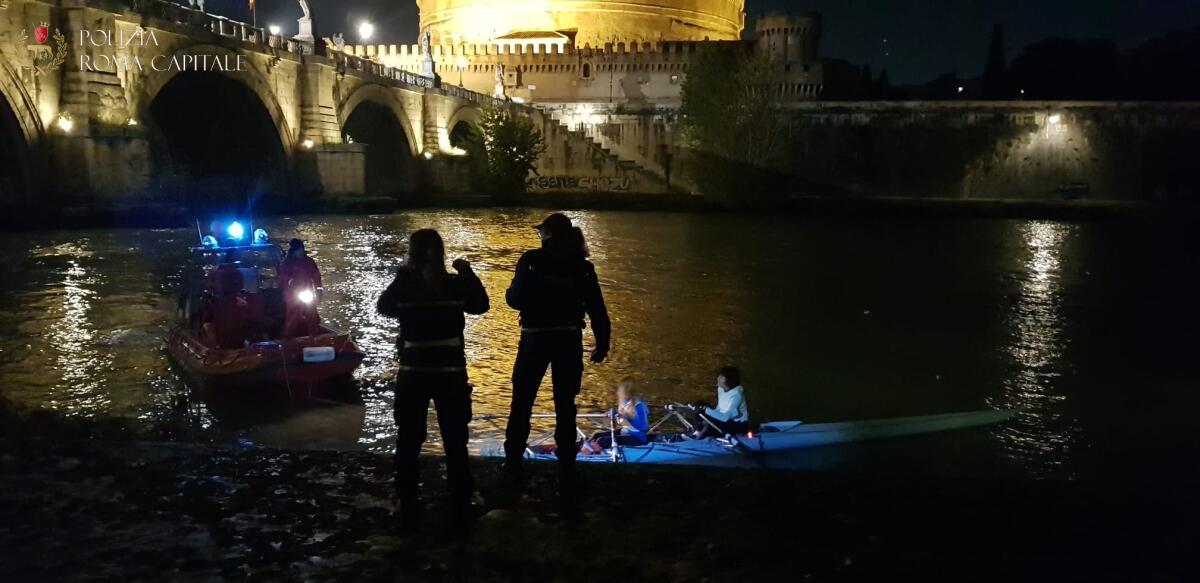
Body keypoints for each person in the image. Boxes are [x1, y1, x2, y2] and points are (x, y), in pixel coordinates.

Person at [377, 229, 489, 530]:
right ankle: (460, 496)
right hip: (450, 373)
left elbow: (383, 306)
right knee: (455, 439)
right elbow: (481, 304)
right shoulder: (453, 286)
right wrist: (466, 271)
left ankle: (407, 497)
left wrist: (403, 276)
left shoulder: (406, 287)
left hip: (413, 374)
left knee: (410, 438)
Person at [503, 213, 611, 507]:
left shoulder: (530, 260)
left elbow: (515, 299)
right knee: (565, 404)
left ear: (547, 235)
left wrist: (513, 293)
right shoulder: (582, 267)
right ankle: (567, 467)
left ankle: (513, 462)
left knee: (522, 401)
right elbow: (597, 308)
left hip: (535, 338)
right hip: (568, 339)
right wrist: (603, 342)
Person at [581, 379, 650, 454]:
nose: (617, 393)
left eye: (619, 390)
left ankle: (594, 454)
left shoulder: (638, 406)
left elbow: (642, 433)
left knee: (603, 440)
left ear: (626, 392)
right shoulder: (625, 403)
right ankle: (585, 449)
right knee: (596, 435)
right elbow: (618, 421)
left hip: (638, 438)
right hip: (626, 433)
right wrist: (609, 415)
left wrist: (625, 424)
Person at [279, 239, 323, 338]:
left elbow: (316, 276)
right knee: (293, 317)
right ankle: (288, 340)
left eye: (301, 250)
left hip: (307, 292)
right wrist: (292, 284)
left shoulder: (309, 261)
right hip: (293, 295)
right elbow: (283, 279)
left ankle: (315, 337)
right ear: (294, 251)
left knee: (312, 316)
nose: (300, 252)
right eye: (298, 250)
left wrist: (319, 290)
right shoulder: (287, 263)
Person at [692, 366, 749, 439]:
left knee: (704, 411)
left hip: (739, 425)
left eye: (719, 376)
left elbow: (725, 418)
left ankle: (702, 434)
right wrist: (704, 411)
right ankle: (697, 432)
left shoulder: (736, 395)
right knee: (699, 404)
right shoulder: (721, 389)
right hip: (725, 421)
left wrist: (706, 410)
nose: (717, 378)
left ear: (724, 379)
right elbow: (718, 409)